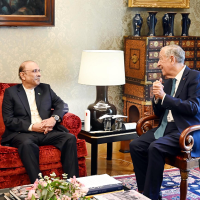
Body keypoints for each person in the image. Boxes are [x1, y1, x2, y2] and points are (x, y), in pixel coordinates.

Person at [129, 45, 200, 200]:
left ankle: (151, 196)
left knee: (156, 147)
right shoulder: (167, 82)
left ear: (172, 59)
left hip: (185, 131)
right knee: (135, 146)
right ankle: (144, 192)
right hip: (165, 127)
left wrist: (164, 97)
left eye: (160, 59)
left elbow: (194, 108)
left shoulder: (195, 77)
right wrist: (156, 98)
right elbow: (159, 113)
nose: (158, 64)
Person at [1, 60, 79, 183]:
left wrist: (54, 119)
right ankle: (39, 185)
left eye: (39, 71)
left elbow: (62, 104)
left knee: (69, 138)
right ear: (23, 75)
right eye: (34, 71)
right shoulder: (11, 93)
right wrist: (32, 127)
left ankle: (73, 183)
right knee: (27, 144)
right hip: (24, 133)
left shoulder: (45, 88)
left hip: (47, 131)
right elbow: (9, 120)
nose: (39, 74)